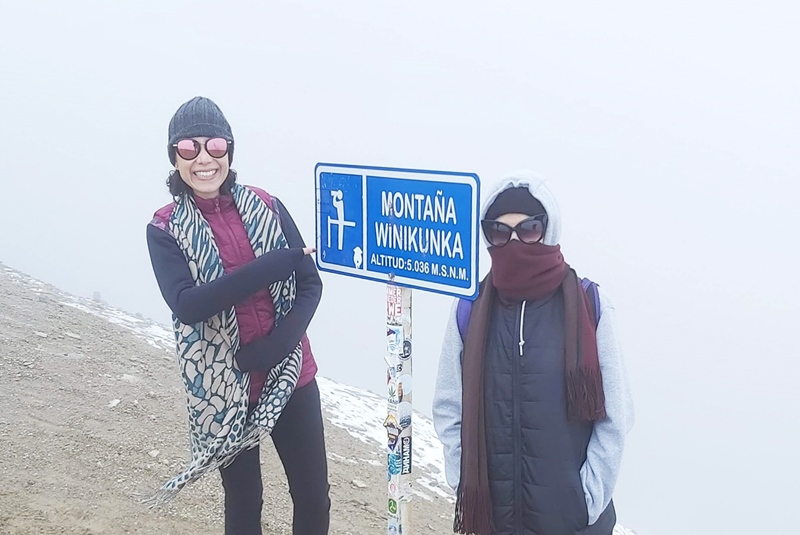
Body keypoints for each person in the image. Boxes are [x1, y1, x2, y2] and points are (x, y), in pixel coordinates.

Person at [145, 96, 330, 535]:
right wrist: (272, 263)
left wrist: (279, 346)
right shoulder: (165, 228)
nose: (204, 158)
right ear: (174, 156)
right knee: (245, 503)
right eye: (189, 148)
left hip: (292, 376)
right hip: (225, 387)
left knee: (312, 496)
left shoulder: (268, 206)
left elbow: (310, 283)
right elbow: (188, 304)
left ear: (230, 149)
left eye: (215, 145)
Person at [432, 171, 634, 535]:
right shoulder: (470, 309)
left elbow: (616, 416)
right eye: (499, 231)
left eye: (527, 229)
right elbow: (449, 405)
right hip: (495, 522)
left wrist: (587, 500)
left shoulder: (590, 305)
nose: (513, 242)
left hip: (574, 524)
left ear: (548, 229)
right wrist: (461, 478)